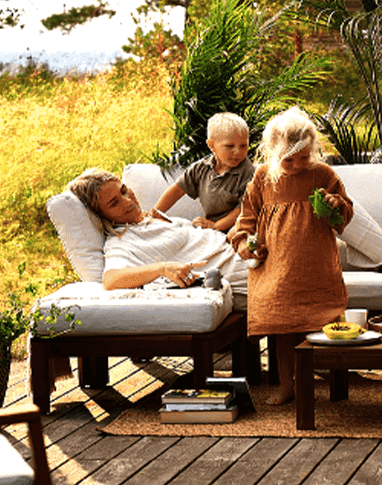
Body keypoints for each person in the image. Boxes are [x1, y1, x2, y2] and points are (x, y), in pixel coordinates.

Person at [230, 106, 354, 406]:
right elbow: (245, 221)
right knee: (283, 330)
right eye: (289, 159)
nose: (297, 165)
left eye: (304, 158)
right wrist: (245, 243)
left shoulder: (323, 174)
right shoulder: (262, 178)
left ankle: (329, 382)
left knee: (321, 324)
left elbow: (344, 217)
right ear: (272, 152)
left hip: (315, 266)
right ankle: (287, 385)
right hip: (275, 267)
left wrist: (336, 204)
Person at [67, 168, 249, 293]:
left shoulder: (151, 219)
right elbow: (111, 279)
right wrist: (162, 268)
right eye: (114, 203)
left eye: (124, 191)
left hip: (244, 250)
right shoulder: (123, 240)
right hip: (241, 271)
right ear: (103, 216)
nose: (127, 201)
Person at [153, 112, 254, 233]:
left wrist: (216, 226)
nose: (238, 151)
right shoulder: (201, 168)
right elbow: (177, 190)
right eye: (230, 146)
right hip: (212, 230)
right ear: (211, 145)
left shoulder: (248, 173)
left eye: (243, 146)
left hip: (240, 228)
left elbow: (242, 210)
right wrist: (156, 212)